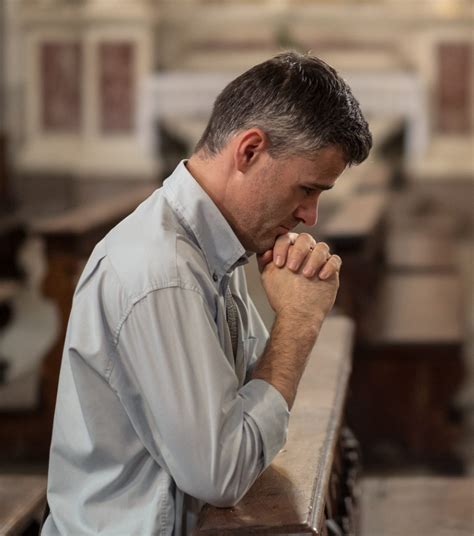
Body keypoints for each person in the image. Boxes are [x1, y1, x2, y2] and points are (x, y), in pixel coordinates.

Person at [42, 51, 371, 535]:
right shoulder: (162, 272)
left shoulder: (214, 241)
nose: (310, 216)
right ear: (250, 151)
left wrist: (292, 307)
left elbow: (250, 399)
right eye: (307, 189)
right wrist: (298, 325)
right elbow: (222, 473)